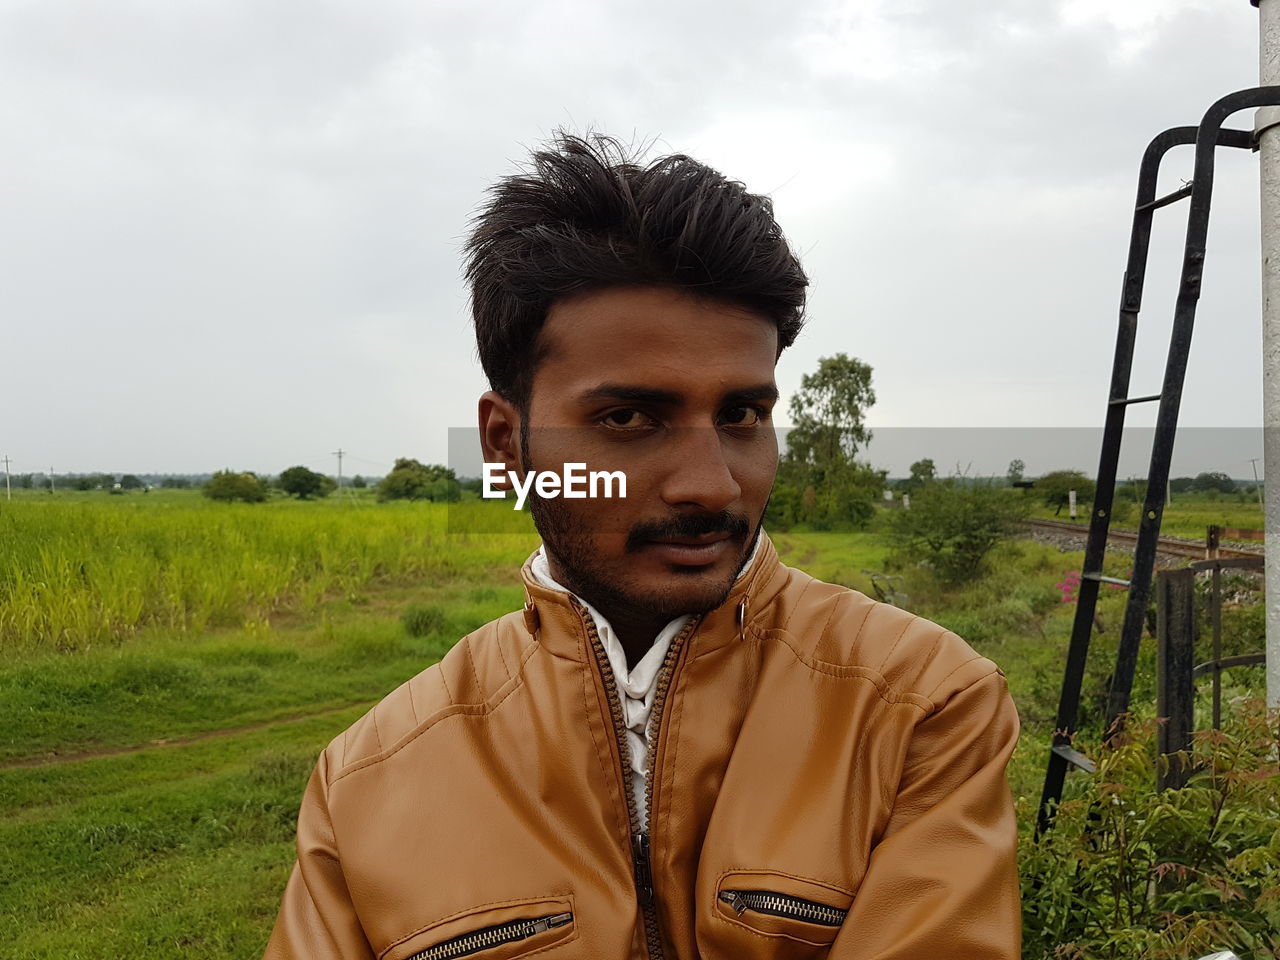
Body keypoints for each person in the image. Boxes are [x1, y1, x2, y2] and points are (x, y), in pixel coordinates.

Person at [262, 133, 1022, 960]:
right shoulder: (369, 780)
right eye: (628, 419)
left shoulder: (919, 704)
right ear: (505, 443)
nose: (711, 485)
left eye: (741, 416)